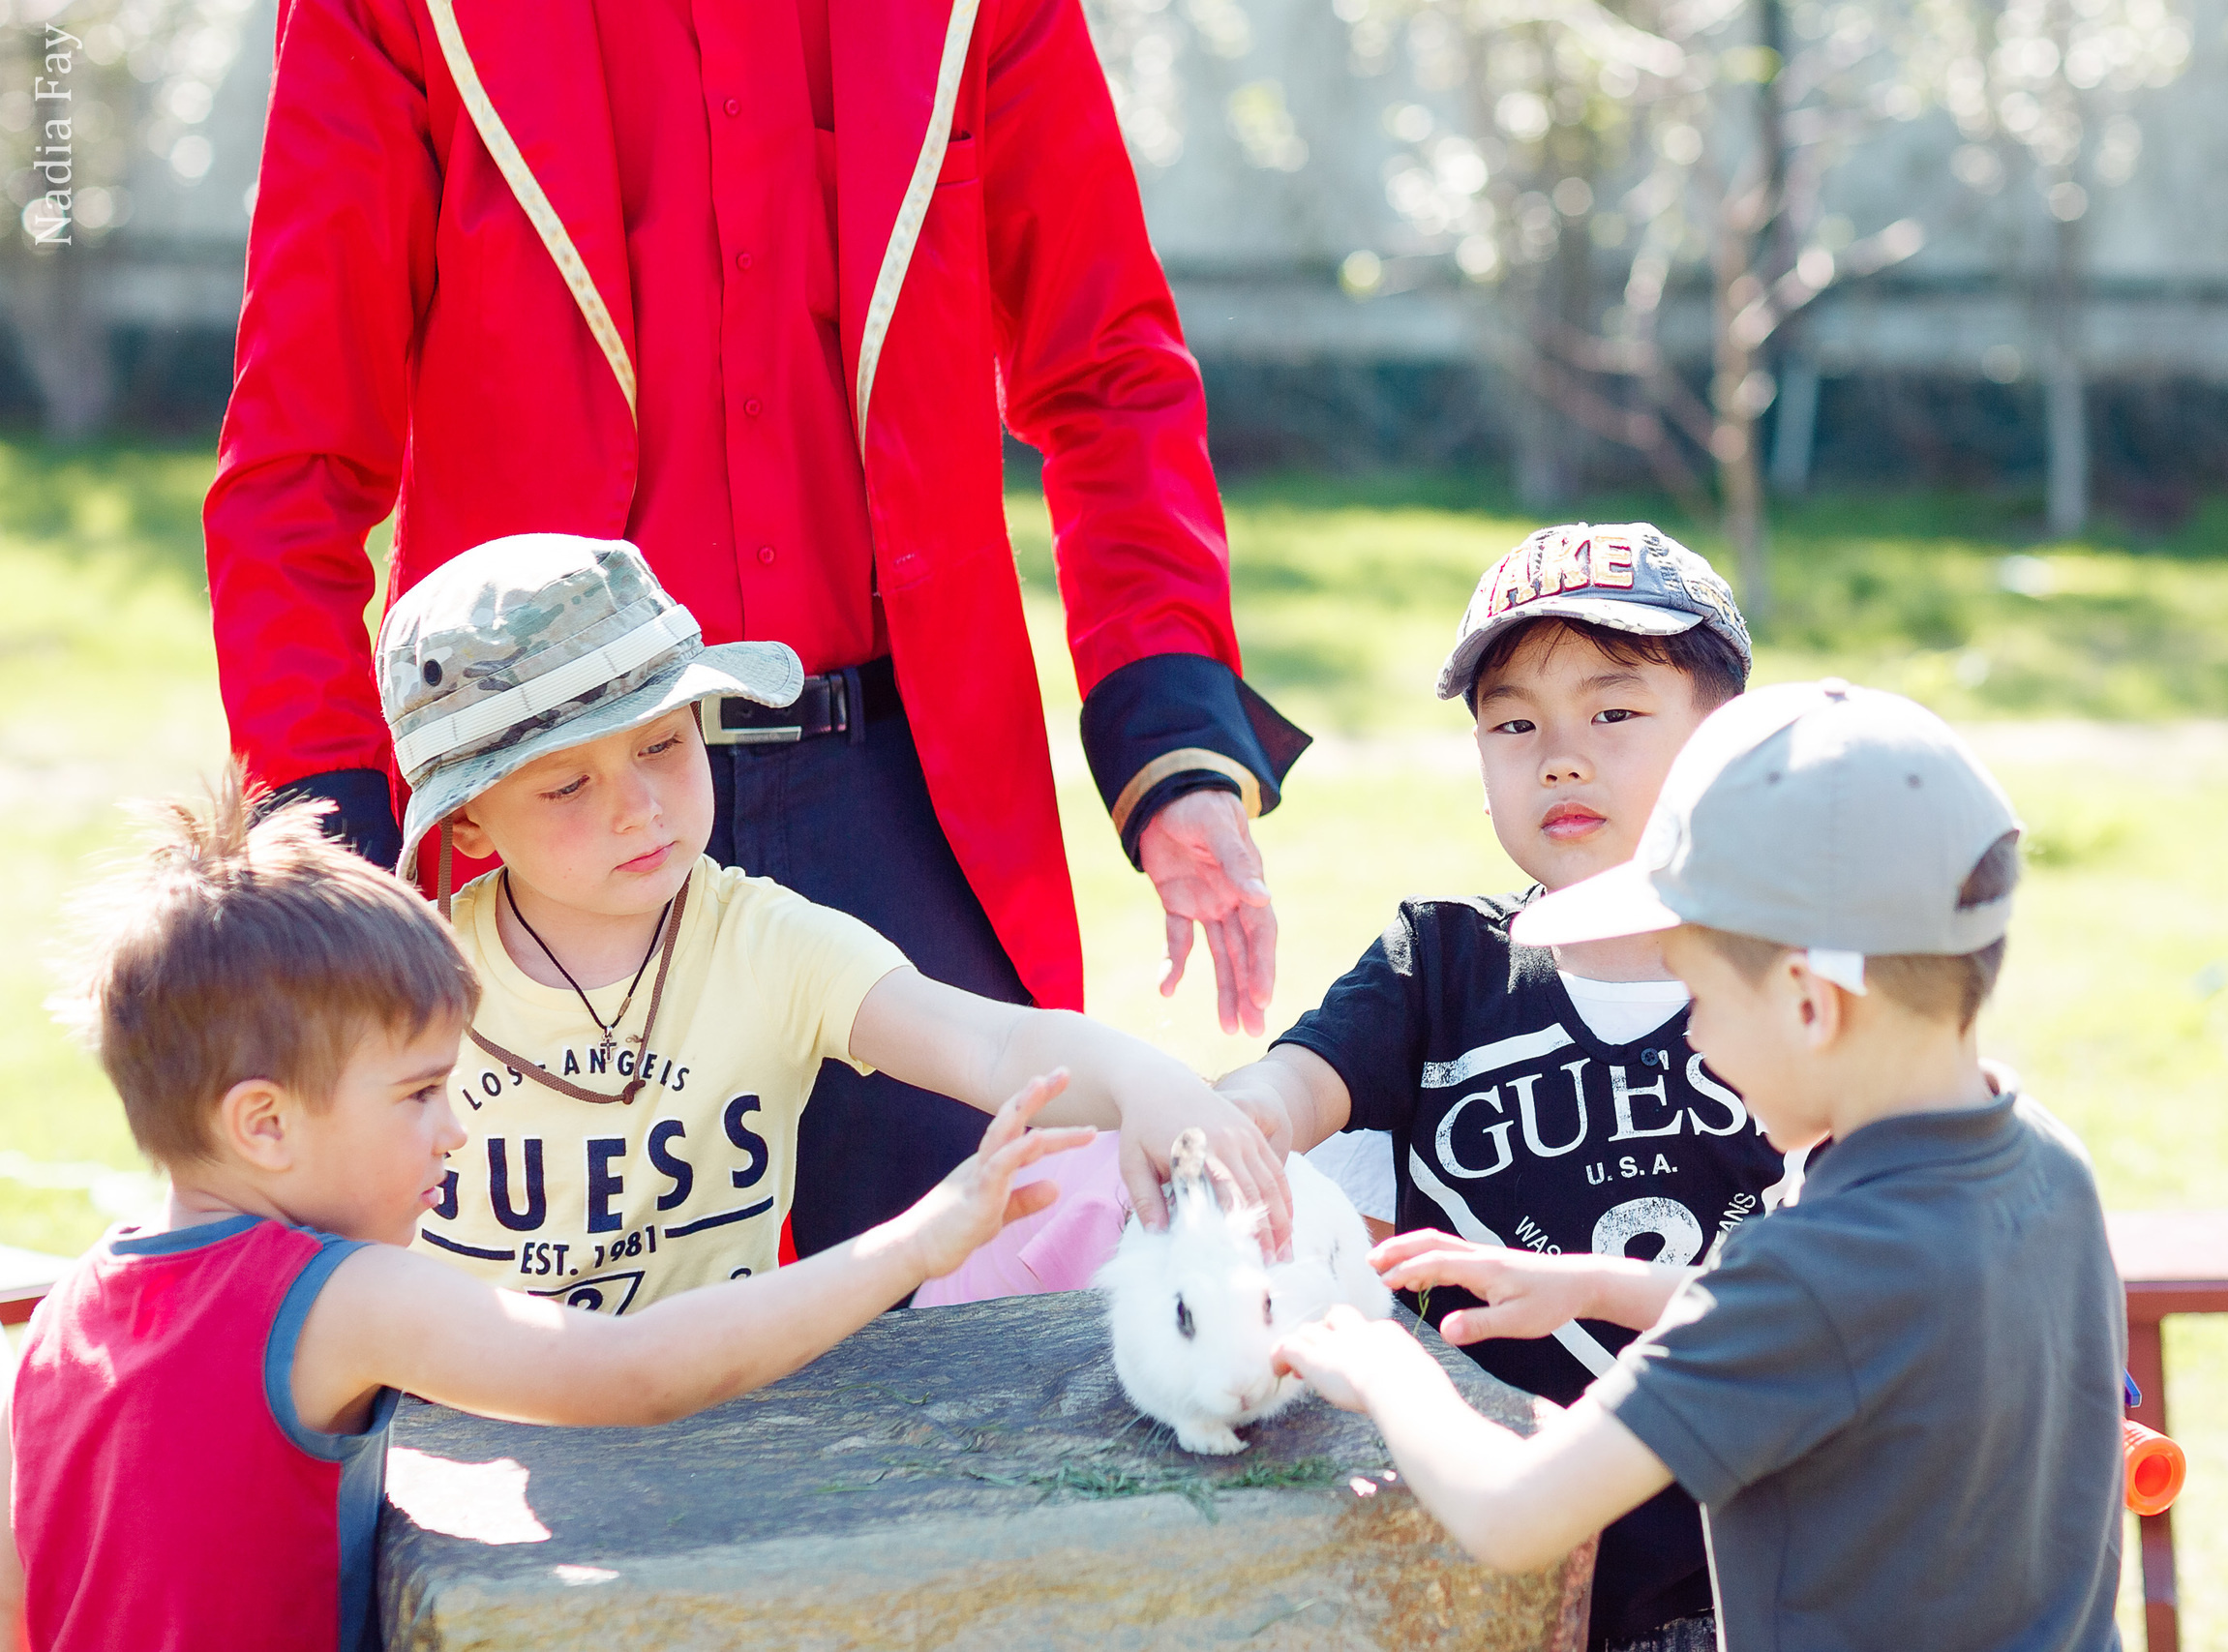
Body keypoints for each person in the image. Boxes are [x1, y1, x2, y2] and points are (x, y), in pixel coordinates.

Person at [202, 0, 1308, 1265]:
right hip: (537, 816)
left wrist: (1172, 738)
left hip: (900, 798)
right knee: (506, 1392)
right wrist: (332, 858)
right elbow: (296, 464)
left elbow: (1110, 373)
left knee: (973, 1360)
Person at [0, 777, 1095, 1652]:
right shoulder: (339, 1296)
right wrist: (927, 1235)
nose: (453, 1132)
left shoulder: (66, 1319)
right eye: (421, 1094)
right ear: (265, 1125)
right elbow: (632, 1372)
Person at [1276, 681, 2128, 1652]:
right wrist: (1595, 1284)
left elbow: (1515, 1515)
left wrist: (1388, 1368)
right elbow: (1854, 1334)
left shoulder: (1806, 1274)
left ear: (1809, 1005)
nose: (1696, 1038)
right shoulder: (2040, 1162)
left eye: (1699, 996)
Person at [383, 534, 1290, 1307]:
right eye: (569, 783)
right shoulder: (405, 989)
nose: (640, 807)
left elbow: (991, 1047)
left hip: (730, 1420)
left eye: (663, 742)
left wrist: (1151, 1084)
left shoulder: (766, 942)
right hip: (477, 1428)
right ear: (468, 819)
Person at [1214, 523, 1785, 1651]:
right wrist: (1235, 1119)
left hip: (1756, 1568)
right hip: (1490, 1566)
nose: (1559, 758)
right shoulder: (1438, 963)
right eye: (1514, 724)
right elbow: (1298, 1084)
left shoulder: (1795, 982)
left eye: (1613, 714)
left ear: (1727, 747)